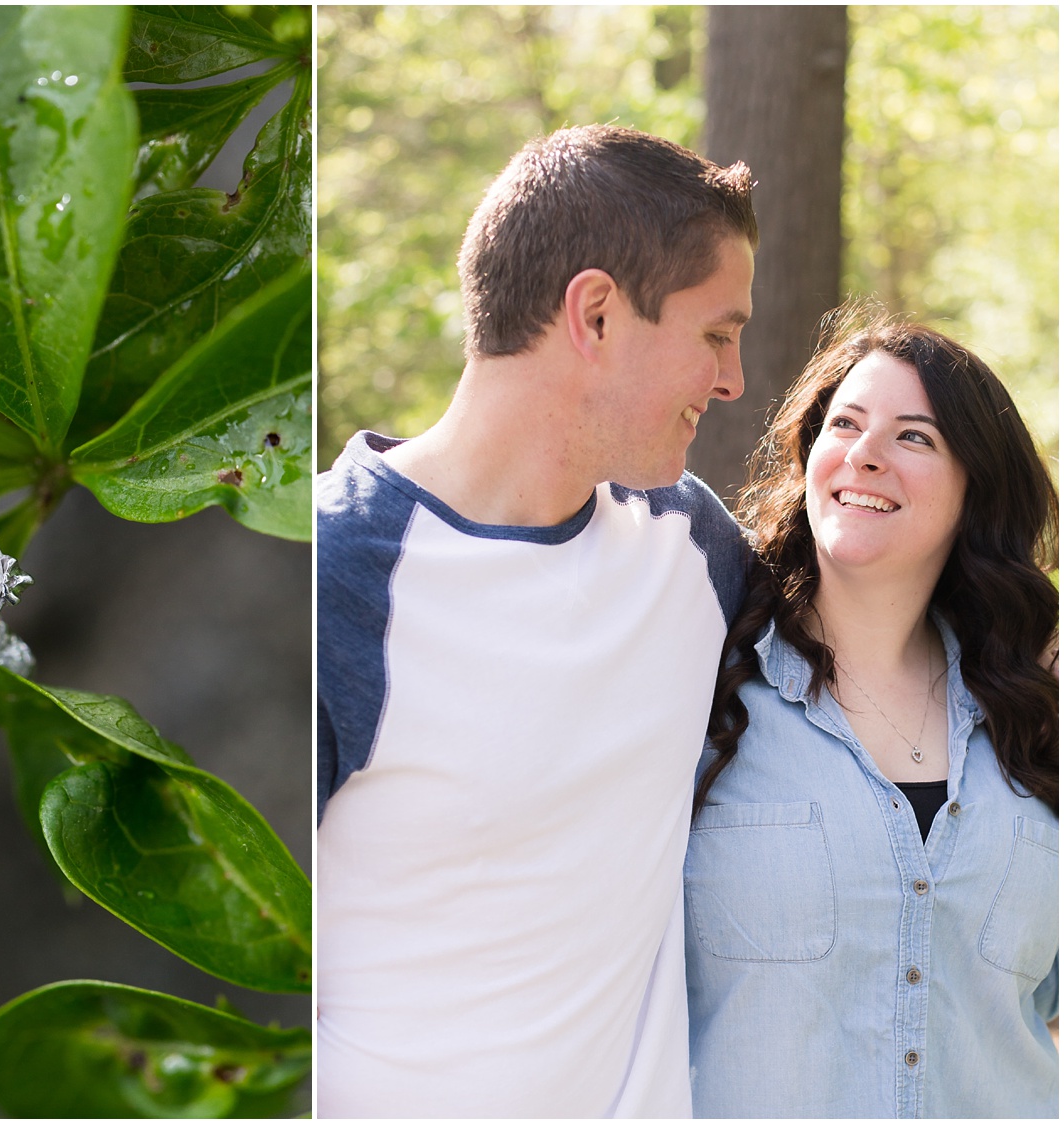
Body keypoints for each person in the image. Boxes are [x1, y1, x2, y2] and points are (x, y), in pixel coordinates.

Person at [318, 124, 758, 1116]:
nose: (730, 380)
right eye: (716, 334)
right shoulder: (333, 570)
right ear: (596, 313)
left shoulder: (690, 545)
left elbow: (883, 652)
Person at [686, 313, 1059, 1117]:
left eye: (914, 437)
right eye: (845, 424)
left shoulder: (1032, 723)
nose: (864, 452)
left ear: (976, 490)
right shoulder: (699, 696)